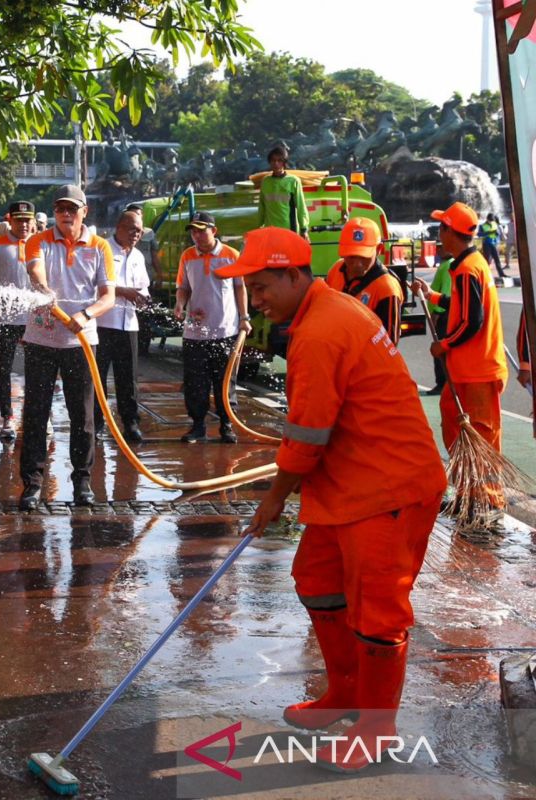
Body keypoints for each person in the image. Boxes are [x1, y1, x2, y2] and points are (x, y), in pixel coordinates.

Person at [226, 227, 446, 774]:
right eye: (250, 289)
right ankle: (345, 695)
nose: (256, 300)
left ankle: (375, 730)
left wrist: (273, 499)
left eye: (262, 286)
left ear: (295, 274)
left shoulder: (322, 332)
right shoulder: (325, 312)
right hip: (349, 484)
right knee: (318, 581)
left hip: (387, 489)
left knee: (378, 612)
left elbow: (307, 437)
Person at [19, 184, 116, 510]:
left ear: (84, 211)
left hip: (81, 341)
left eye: (72, 208)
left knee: (83, 416)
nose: (65, 214)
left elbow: (108, 296)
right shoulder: (38, 240)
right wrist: (45, 290)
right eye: (60, 208)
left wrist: (85, 314)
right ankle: (32, 484)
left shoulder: (99, 247)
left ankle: (82, 483)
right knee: (35, 413)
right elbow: (35, 270)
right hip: (41, 339)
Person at [412, 201, 508, 528]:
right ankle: (469, 493)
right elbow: (462, 306)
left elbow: (472, 321)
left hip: (477, 370)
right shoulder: (467, 266)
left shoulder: (469, 268)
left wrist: (445, 344)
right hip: (467, 370)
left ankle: (489, 501)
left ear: (452, 232)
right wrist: (433, 296)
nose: (439, 236)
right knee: (456, 431)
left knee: (480, 437)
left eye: (442, 229)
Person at [174, 211, 251, 444]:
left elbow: (240, 287)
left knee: (225, 381)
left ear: (213, 231)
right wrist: (180, 304)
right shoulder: (187, 256)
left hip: (225, 331)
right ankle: (198, 426)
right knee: (195, 382)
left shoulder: (231, 255)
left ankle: (227, 425)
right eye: (193, 231)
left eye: (201, 230)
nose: (197, 235)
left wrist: (244, 317)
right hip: (195, 332)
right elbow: (183, 287)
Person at [94, 207, 150, 444]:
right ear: (119, 228)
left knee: (127, 379)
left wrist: (144, 298)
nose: (135, 235)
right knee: (98, 377)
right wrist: (122, 291)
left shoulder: (137, 256)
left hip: (129, 325)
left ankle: (130, 423)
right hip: (103, 324)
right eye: (131, 230)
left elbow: (143, 286)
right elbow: (94, 285)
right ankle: (96, 424)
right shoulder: (102, 249)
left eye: (139, 231)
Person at [0, 200, 36, 442]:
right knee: (3, 368)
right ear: (10, 221)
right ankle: (8, 416)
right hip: (6, 318)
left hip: (33, 319)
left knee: (38, 370)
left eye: (28, 220)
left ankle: (37, 417)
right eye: (19, 220)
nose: (24, 224)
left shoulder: (40, 244)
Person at [325, 217, 403, 343]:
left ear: (379, 250)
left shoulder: (387, 288)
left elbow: (389, 344)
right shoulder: (336, 270)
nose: (357, 264)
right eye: (351, 256)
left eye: (363, 256)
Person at [257, 144, 309, 237]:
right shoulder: (265, 182)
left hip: (289, 231)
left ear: (284, 163)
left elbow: (301, 207)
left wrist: (304, 229)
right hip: (271, 232)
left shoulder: (293, 181)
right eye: (273, 160)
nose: (276, 163)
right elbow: (262, 207)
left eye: (279, 161)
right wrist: (258, 227)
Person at [425, 246, 453, 395]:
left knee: (440, 348)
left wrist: (437, 312)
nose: (438, 250)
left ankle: (443, 383)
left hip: (443, 315)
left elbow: (446, 292)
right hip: (440, 313)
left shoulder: (448, 265)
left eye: (441, 247)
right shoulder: (444, 265)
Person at [480, 212, 505, 279]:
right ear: (487, 219)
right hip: (486, 244)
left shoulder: (495, 224)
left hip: (494, 244)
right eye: (490, 220)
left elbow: (498, 233)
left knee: (497, 259)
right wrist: (489, 232)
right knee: (487, 260)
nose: (491, 221)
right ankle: (485, 275)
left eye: (492, 220)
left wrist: (497, 233)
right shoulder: (482, 226)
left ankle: (501, 274)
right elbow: (479, 234)